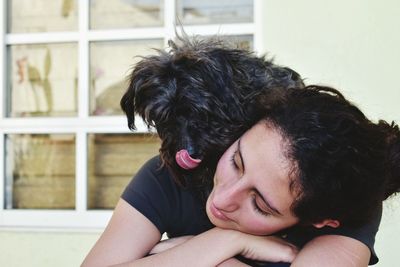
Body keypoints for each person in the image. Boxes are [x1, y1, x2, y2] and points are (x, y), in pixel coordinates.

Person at [82, 38, 400, 267]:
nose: (222, 200)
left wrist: (200, 258)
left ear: (323, 221)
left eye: (260, 204)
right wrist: (227, 241)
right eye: (236, 161)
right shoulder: (167, 177)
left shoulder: (342, 195)